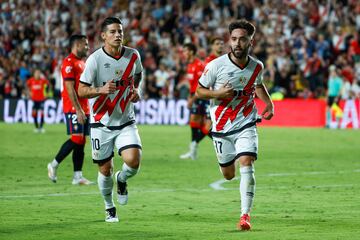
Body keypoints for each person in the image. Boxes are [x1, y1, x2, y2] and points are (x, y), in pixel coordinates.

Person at [196, 19, 274, 231]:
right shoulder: (215, 66)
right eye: (234, 39)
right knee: (228, 174)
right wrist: (218, 93)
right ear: (229, 41)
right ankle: (227, 168)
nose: (237, 43)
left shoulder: (257, 66)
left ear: (251, 41)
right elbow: (199, 91)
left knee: (247, 162)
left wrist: (268, 103)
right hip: (221, 126)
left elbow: (258, 85)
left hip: (246, 121)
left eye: (242, 39)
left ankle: (245, 215)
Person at [78, 17, 143, 223]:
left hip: (125, 120)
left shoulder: (133, 55)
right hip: (101, 122)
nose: (118, 35)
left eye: (120, 31)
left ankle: (122, 179)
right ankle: (109, 207)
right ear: (103, 36)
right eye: (113, 32)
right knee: (105, 169)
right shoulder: (95, 60)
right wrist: (100, 90)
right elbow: (81, 89)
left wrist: (136, 90)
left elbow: (138, 75)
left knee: (133, 162)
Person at [47, 34, 93, 185]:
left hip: (84, 106)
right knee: (76, 138)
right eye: (85, 44)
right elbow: (69, 88)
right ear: (77, 45)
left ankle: (77, 176)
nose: (87, 47)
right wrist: (78, 109)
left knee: (81, 141)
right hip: (74, 107)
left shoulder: (82, 63)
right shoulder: (68, 62)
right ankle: (53, 165)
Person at [179, 43, 207, 160]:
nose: (184, 53)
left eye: (185, 51)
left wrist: (192, 99)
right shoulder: (190, 65)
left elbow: (200, 85)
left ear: (191, 51)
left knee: (198, 123)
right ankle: (193, 150)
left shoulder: (199, 65)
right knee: (197, 124)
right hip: (194, 96)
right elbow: (192, 84)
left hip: (200, 96)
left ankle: (193, 148)